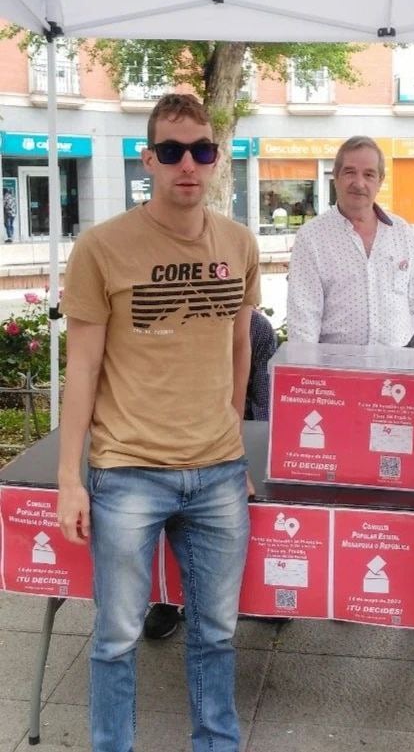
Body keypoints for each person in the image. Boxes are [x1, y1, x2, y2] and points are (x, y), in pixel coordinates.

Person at [56, 93, 261, 752]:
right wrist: (70, 478)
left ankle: (216, 743)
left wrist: (231, 436)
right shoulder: (101, 247)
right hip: (127, 471)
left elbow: (240, 344)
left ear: (215, 156)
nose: (187, 164)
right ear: (146, 159)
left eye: (201, 149)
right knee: (116, 636)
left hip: (218, 474)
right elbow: (81, 368)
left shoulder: (239, 243)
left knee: (217, 633)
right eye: (170, 151)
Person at [143, 308, 279, 640]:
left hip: (236, 434)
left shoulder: (257, 328)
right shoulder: (167, 319)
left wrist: (251, 454)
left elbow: (265, 399)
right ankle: (165, 599)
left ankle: (261, 594)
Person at [286, 135, 414, 348]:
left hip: (398, 369)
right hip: (337, 369)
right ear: (335, 176)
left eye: (369, 174)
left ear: (380, 181)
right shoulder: (311, 238)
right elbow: (303, 318)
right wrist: (308, 374)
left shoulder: (402, 231)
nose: (359, 183)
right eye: (349, 172)